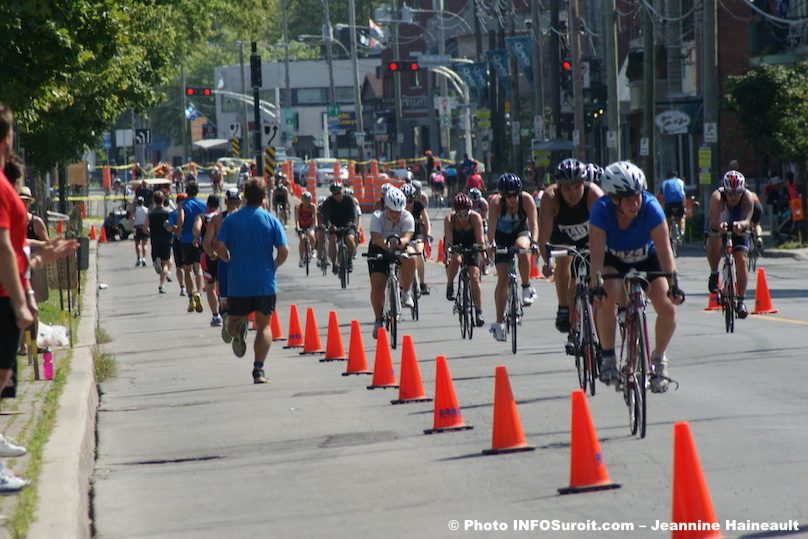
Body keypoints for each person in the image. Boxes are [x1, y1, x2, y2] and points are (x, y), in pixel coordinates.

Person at [0, 104, 78, 491]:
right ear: (6, 138)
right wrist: (19, 300)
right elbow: (2, 247)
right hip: (4, 292)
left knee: (4, 375)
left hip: (12, 285)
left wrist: (41, 255)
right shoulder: (0, 189)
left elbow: (14, 248)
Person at [589, 161, 684, 393]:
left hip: (647, 258)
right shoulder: (601, 211)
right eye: (629, 199)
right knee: (607, 296)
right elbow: (597, 255)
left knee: (668, 307)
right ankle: (609, 356)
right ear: (614, 199)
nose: (636, 203)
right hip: (614, 261)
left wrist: (673, 284)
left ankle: (659, 360)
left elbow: (665, 250)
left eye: (638, 196)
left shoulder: (651, 207)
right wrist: (595, 285)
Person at [215, 178, 288, 384]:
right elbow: (283, 251)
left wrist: (227, 258)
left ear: (244, 196)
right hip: (264, 283)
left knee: (233, 322)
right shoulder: (271, 220)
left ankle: (238, 328)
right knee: (264, 326)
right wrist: (273, 266)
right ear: (264, 196)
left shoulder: (231, 220)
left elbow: (218, 245)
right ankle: (258, 370)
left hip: (238, 284)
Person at [538, 158, 604, 333]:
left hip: (591, 238)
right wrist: (547, 262)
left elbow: (610, 230)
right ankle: (564, 307)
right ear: (559, 187)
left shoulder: (594, 195)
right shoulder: (550, 198)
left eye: (577, 187)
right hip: (562, 237)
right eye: (567, 188)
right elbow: (543, 236)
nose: (573, 193)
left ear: (584, 183)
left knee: (596, 281)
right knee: (563, 259)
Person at [487, 173, 539, 341]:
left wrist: (535, 242)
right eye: (508, 195)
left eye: (515, 194)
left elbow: (533, 224)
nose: (512, 198)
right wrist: (491, 244)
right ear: (502, 195)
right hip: (501, 237)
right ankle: (499, 322)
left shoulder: (527, 200)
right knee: (502, 280)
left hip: (520, 233)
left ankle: (526, 286)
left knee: (522, 248)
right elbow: (491, 228)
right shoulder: (496, 203)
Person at [367, 187, 416, 338]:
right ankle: (378, 319)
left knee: (411, 256)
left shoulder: (407, 216)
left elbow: (408, 236)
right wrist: (386, 244)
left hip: (399, 247)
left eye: (398, 211)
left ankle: (406, 291)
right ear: (386, 208)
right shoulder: (377, 217)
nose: (396, 215)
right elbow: (376, 238)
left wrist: (401, 242)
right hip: (379, 249)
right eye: (392, 211)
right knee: (377, 285)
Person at [706, 170, 754, 318]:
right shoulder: (717, 197)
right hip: (721, 223)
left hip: (738, 227)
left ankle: (741, 301)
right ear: (725, 191)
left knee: (741, 259)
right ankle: (714, 273)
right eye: (730, 194)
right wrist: (719, 226)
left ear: (742, 190)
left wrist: (741, 225)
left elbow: (747, 219)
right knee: (714, 238)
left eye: (737, 193)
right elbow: (713, 220)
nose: (734, 197)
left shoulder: (748, 197)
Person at [204, 188, 242, 342]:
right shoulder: (247, 218)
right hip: (243, 263)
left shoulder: (217, 219)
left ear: (225, 202)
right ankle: (240, 323)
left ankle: (226, 318)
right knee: (243, 298)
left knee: (225, 300)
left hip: (225, 262)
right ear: (239, 201)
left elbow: (206, 243)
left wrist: (213, 255)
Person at [444, 193, 486, 327]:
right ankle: (450, 284)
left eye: (465, 214)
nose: (463, 218)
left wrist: (483, 253)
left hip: (472, 244)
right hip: (456, 243)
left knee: (474, 275)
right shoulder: (449, 219)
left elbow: (481, 240)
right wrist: (447, 256)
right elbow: (449, 241)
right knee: (455, 260)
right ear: (455, 212)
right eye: (459, 215)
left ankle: (479, 310)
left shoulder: (475, 218)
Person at [175, 181, 206, 313]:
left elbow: (180, 221)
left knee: (187, 269)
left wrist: (179, 227)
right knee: (198, 268)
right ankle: (199, 292)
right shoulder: (203, 204)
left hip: (186, 240)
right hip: (199, 240)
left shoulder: (183, 204)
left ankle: (190, 296)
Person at [194, 195, 223, 327]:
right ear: (218, 205)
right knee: (223, 284)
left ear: (207, 204)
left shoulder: (202, 216)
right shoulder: (222, 216)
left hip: (207, 254)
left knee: (210, 286)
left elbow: (196, 229)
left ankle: (215, 316)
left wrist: (197, 238)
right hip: (222, 253)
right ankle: (226, 311)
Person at [401, 183, 431, 295]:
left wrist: (428, 234)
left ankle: (422, 283)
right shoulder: (398, 208)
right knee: (402, 257)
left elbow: (426, 220)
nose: (408, 204)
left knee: (419, 253)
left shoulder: (418, 205)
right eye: (406, 201)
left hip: (417, 234)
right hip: (404, 235)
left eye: (410, 201)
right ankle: (402, 286)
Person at [322, 181, 358, 274]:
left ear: (342, 191)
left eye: (339, 193)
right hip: (334, 226)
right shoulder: (328, 201)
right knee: (332, 240)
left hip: (348, 225)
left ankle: (349, 260)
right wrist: (329, 225)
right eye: (335, 194)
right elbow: (325, 216)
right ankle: (334, 263)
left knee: (350, 240)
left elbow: (354, 214)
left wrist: (352, 223)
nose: (337, 195)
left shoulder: (349, 200)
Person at [142, 190, 173, 293]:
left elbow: (144, 228)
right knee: (165, 264)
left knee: (157, 260)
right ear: (163, 199)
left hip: (155, 240)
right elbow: (171, 226)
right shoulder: (168, 212)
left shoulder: (150, 214)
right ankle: (162, 285)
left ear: (153, 201)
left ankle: (157, 263)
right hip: (166, 240)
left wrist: (151, 233)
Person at [167, 192, 187, 295]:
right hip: (188, 240)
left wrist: (173, 228)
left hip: (177, 240)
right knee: (189, 266)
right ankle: (190, 287)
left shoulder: (172, 214)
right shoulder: (190, 211)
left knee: (179, 266)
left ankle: (182, 287)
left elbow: (170, 228)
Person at [659, 169, 687, 238]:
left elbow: (662, 196)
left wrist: (662, 206)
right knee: (681, 217)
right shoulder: (680, 182)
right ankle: (682, 231)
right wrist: (684, 205)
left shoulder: (665, 183)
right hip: (679, 202)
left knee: (668, 220)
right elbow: (683, 195)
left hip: (668, 204)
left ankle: (669, 236)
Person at [294, 191, 318, 268]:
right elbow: (297, 219)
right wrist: (297, 227)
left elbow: (314, 217)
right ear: (302, 200)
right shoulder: (298, 207)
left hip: (310, 225)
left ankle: (313, 249)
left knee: (311, 235)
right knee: (302, 239)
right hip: (301, 226)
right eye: (304, 200)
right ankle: (301, 260)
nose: (306, 202)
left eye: (308, 200)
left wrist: (314, 226)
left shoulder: (313, 207)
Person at [132, 196, 149, 267]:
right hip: (144, 227)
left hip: (137, 227)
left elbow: (132, 218)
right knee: (144, 244)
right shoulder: (146, 210)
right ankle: (144, 258)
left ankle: (139, 257)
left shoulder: (135, 210)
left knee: (137, 244)